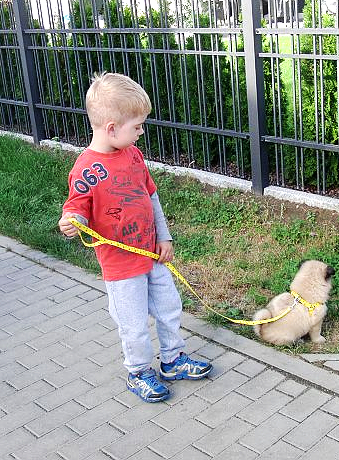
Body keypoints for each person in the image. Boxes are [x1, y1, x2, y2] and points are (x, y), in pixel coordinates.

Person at [58, 72, 212, 403]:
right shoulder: (85, 169)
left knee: (170, 307)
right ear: (112, 128)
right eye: (137, 126)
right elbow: (77, 207)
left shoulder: (133, 155)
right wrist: (73, 221)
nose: (141, 132)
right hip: (121, 267)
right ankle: (139, 371)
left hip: (152, 254)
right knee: (133, 324)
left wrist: (164, 237)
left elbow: (151, 197)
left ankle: (173, 360)